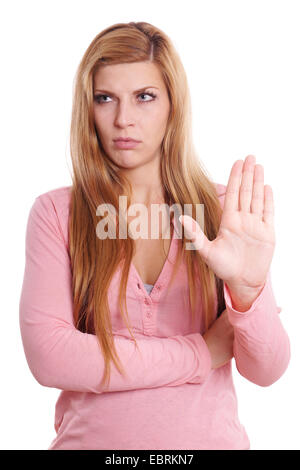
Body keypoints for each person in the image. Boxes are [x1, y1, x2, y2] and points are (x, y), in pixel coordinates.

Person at [19, 21, 290, 450]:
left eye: (144, 97)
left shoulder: (223, 210)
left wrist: (247, 290)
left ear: (173, 106)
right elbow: (51, 357)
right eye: (105, 98)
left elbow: (267, 370)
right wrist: (201, 352)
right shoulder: (58, 214)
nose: (123, 119)